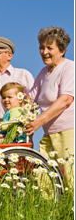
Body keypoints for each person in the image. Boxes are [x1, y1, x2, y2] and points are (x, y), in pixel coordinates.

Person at [25, 26, 74, 188]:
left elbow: (65, 100)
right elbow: (29, 100)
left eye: (49, 48)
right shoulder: (43, 72)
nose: (44, 52)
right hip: (48, 134)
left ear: (62, 50)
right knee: (43, 178)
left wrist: (38, 121)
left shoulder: (69, 68)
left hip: (67, 133)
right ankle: (50, 212)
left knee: (70, 178)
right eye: (41, 47)